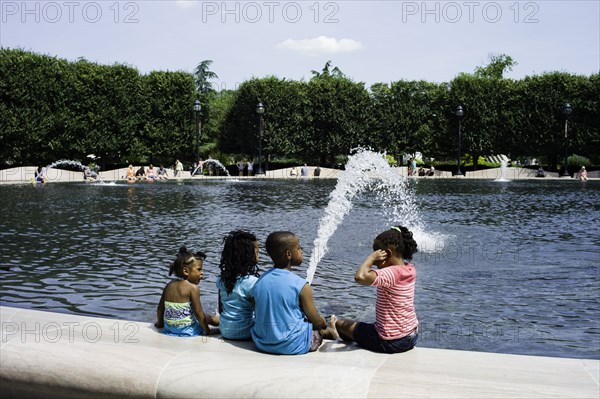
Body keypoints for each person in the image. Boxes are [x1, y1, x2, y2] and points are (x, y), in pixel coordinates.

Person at [335, 226, 419, 354]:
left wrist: (370, 258)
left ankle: (335, 335)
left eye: (377, 254)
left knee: (340, 324)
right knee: (366, 326)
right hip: (411, 336)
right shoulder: (409, 269)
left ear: (388, 254)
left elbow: (360, 277)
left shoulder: (390, 273)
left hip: (390, 341)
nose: (375, 263)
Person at [251, 231, 338, 355]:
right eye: (299, 248)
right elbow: (316, 321)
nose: (301, 250)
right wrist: (322, 322)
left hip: (262, 343)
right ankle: (330, 332)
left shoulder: (259, 281)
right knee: (318, 329)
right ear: (288, 254)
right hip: (293, 345)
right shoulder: (301, 285)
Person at [155, 247, 219, 337]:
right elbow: (198, 313)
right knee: (209, 318)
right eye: (199, 269)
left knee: (205, 317)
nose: (202, 273)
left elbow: (160, 308)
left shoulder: (169, 285)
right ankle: (224, 322)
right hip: (188, 330)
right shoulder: (193, 288)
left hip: (169, 329)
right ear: (186, 271)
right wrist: (207, 330)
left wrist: (160, 324)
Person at [216, 230, 260, 340]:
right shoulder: (252, 282)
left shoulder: (221, 280)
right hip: (246, 332)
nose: (259, 255)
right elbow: (259, 313)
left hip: (224, 330)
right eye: (257, 252)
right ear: (248, 255)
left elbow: (221, 310)